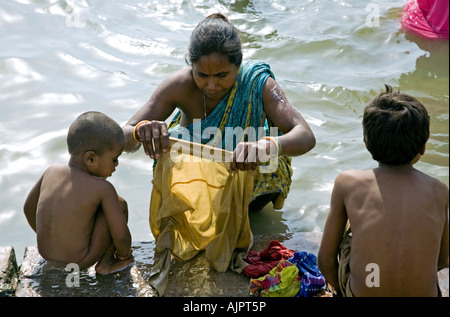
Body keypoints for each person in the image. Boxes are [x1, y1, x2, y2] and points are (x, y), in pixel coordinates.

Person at [122, 13, 316, 211]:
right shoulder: (178, 86)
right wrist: (140, 131)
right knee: (173, 149)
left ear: (238, 66)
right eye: (202, 75)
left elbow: (306, 136)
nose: (212, 85)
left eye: (222, 76)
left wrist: (265, 147)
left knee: (270, 159)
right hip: (194, 190)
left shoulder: (257, 83)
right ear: (191, 67)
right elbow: (122, 138)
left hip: (249, 189)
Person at [318, 85, 449, 297]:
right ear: (422, 148)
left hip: (366, 289)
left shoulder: (347, 183)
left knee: (352, 228)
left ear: (367, 142)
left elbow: (325, 259)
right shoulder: (439, 190)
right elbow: (442, 261)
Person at [23, 111, 134, 275]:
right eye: (114, 159)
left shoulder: (51, 170)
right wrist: (125, 254)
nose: (116, 165)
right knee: (119, 205)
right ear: (90, 159)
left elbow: (28, 208)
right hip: (77, 262)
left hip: (46, 253)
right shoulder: (103, 188)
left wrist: (51, 240)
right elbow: (122, 237)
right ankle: (107, 263)